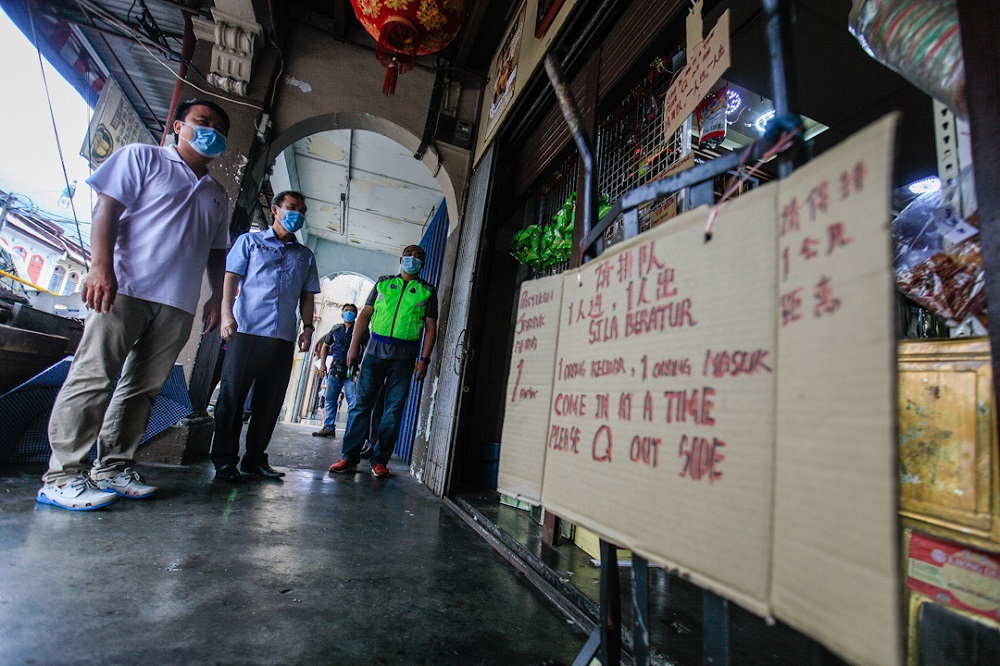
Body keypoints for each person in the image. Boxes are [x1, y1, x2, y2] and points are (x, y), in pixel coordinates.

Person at [36, 99, 232, 511]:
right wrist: (100, 268)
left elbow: (217, 251)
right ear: (178, 126)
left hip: (177, 303)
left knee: (143, 389)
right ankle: (63, 474)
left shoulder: (217, 194)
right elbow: (106, 209)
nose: (210, 129)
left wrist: (216, 295)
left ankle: (113, 467)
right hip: (124, 289)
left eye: (218, 127)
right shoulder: (142, 158)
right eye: (202, 121)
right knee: (94, 376)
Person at [211, 191, 320, 482]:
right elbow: (230, 278)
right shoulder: (250, 242)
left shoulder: (305, 256)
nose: (297, 213)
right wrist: (226, 315)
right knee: (232, 399)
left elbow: (307, 296)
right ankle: (224, 460)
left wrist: (307, 328)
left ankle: (255, 458)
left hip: (282, 338)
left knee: (268, 403)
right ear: (275, 209)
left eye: (302, 210)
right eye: (292, 208)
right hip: (246, 331)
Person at [329, 245, 437, 477]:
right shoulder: (383, 284)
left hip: (404, 357)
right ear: (401, 259)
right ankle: (349, 456)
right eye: (409, 255)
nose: (413, 259)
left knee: (393, 410)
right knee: (361, 405)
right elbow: (365, 315)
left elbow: (430, 328)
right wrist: (354, 346)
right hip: (374, 352)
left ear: (423, 263)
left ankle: (380, 460)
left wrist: (424, 359)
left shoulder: (427, 290)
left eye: (418, 256)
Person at [313, 303, 368, 438]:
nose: (348, 313)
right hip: (334, 370)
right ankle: (328, 427)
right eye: (346, 310)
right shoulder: (336, 330)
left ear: (356, 315)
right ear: (342, 313)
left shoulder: (361, 330)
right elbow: (325, 346)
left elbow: (367, 348)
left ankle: (351, 431)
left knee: (353, 402)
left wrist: (361, 367)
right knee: (330, 400)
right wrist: (323, 365)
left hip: (352, 371)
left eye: (351, 311)